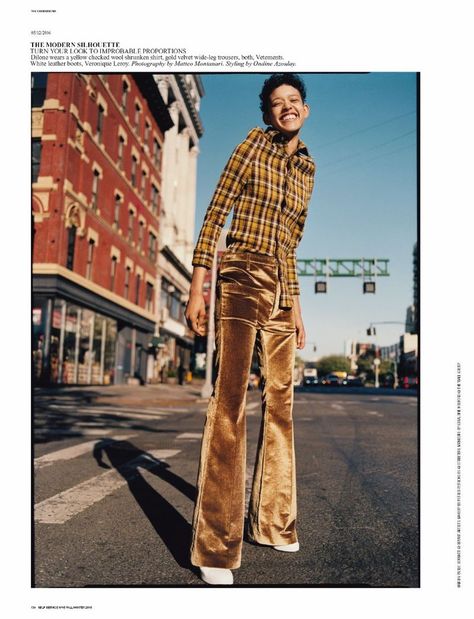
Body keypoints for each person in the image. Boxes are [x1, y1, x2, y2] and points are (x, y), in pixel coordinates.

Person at [185, 73, 316, 585]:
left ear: (305, 110)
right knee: (232, 401)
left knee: (281, 402)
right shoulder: (251, 146)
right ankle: (215, 545)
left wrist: (298, 306)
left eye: (293, 101)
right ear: (267, 113)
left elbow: (292, 242)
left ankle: (274, 521)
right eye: (277, 102)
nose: (286, 107)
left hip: (282, 288)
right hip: (240, 274)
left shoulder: (307, 167)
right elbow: (215, 213)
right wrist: (200, 286)